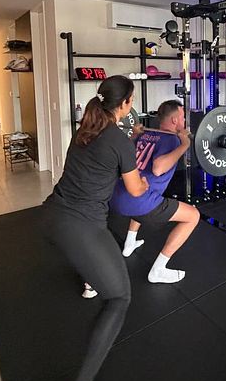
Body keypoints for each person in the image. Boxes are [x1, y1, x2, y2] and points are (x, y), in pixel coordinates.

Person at [44, 75, 149, 381]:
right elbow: (135, 189)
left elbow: (106, 155)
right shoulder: (118, 139)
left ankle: (91, 276)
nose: (132, 107)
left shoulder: (86, 129)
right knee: (120, 297)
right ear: (123, 105)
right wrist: (144, 178)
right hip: (80, 226)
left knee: (99, 265)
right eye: (130, 101)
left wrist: (128, 143)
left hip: (52, 215)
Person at [84, 100, 199, 296]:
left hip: (117, 195)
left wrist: (135, 134)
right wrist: (185, 144)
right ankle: (159, 269)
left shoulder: (145, 134)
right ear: (174, 120)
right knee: (193, 216)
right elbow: (158, 167)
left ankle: (129, 243)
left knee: (144, 197)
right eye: (182, 117)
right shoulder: (173, 140)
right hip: (139, 200)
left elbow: (126, 154)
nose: (184, 120)